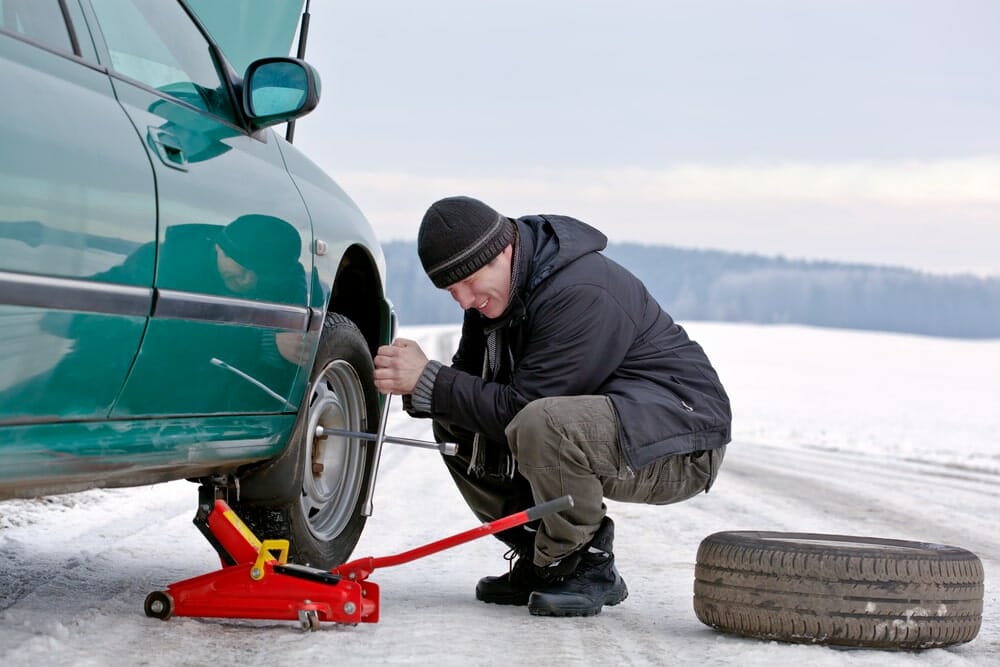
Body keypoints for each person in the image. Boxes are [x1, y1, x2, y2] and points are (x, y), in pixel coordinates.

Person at [374, 196, 732, 618]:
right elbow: (466, 392)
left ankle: (583, 560)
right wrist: (410, 382)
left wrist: (428, 378)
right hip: (611, 423)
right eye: (452, 291)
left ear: (502, 251)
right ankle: (543, 556)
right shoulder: (495, 297)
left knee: (542, 423)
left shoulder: (580, 291)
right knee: (455, 420)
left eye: (468, 282)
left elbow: (524, 409)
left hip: (680, 440)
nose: (465, 300)